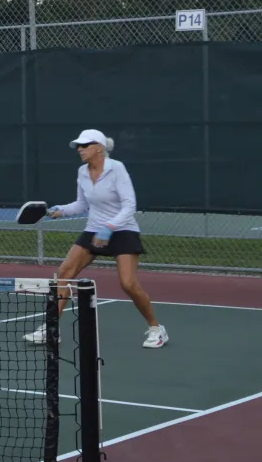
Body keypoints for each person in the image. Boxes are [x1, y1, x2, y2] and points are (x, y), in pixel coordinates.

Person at [25, 129, 167, 348]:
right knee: (63, 274)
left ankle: (156, 329)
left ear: (99, 147)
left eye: (85, 145)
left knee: (128, 284)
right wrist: (60, 210)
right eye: (78, 146)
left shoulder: (117, 168)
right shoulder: (82, 171)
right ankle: (50, 328)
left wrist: (110, 227)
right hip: (94, 229)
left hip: (122, 229)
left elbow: (130, 205)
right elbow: (82, 204)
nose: (80, 149)